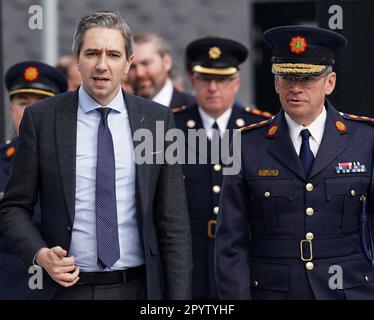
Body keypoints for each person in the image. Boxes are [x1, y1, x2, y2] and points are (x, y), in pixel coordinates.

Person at [0, 10, 192, 300]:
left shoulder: (157, 119)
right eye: (92, 53)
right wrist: (40, 254)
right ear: (77, 58)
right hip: (65, 290)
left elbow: (173, 221)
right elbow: (13, 207)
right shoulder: (42, 119)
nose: (102, 65)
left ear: (128, 63)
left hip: (139, 288)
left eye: (113, 55)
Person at [215, 25, 374, 300]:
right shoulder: (243, 145)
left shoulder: (366, 139)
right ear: (276, 83)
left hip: (350, 290)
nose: (296, 89)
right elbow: (230, 242)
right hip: (273, 291)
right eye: (287, 78)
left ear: (330, 82)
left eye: (308, 79)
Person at [173, 37, 272, 299]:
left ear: (236, 83)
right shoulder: (170, 127)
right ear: (194, 81)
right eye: (205, 79)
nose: (213, 88)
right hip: (187, 255)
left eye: (223, 80)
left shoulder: (257, 128)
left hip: (241, 254)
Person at [0, 61, 67, 299]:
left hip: (61, 287)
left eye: (40, 104)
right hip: (10, 288)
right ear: (11, 110)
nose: (30, 112)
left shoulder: (77, 160)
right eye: (23, 103)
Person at [127, 33, 195, 109]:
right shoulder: (120, 112)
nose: (139, 73)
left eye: (146, 63)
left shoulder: (194, 109)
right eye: (132, 67)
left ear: (166, 62)